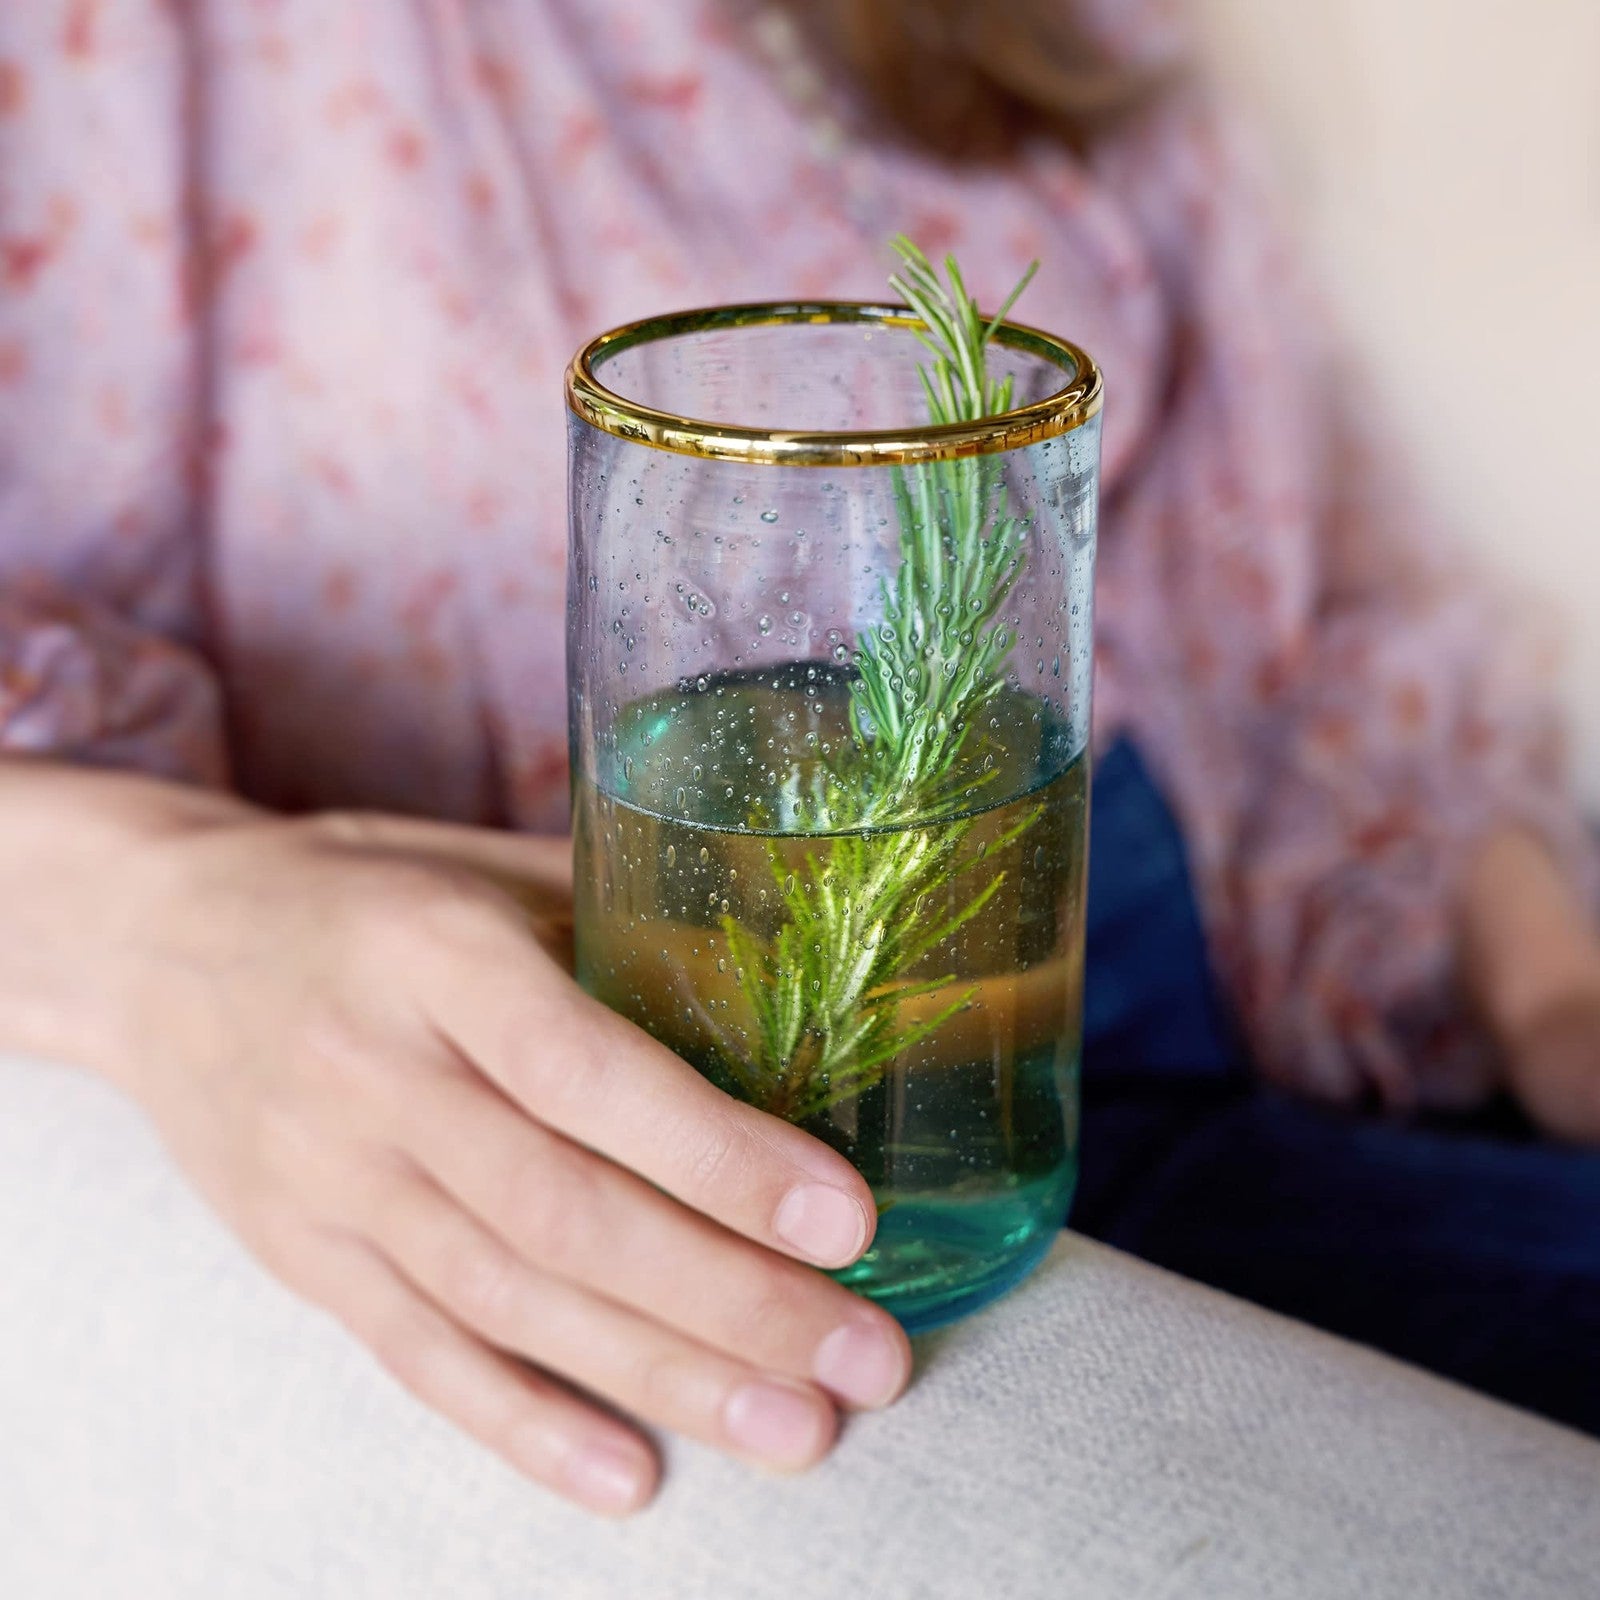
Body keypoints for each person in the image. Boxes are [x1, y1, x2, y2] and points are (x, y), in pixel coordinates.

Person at [1, 0, 1596, 1515]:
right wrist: (153, 918)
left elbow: (1302, 521)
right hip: (732, 1078)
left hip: (1223, 993)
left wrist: (1540, 977)